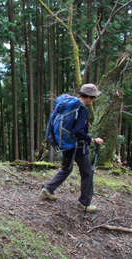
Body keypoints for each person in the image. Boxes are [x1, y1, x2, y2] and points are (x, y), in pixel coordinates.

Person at [40, 84, 104, 212]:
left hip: (67, 143)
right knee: (87, 174)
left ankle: (48, 189)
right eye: (94, 97)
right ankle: (84, 203)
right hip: (78, 146)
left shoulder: (72, 105)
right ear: (90, 97)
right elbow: (78, 131)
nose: (93, 100)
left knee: (66, 168)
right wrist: (92, 140)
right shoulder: (82, 110)